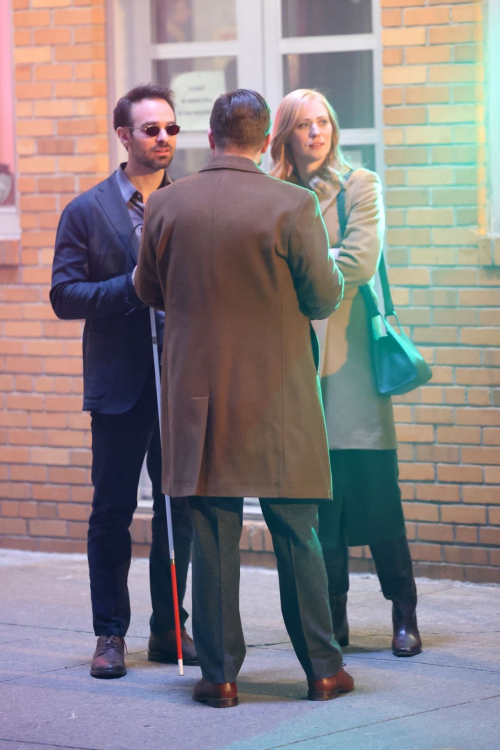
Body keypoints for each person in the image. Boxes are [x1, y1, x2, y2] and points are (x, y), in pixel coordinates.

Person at [135, 89, 353, 708]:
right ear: (264, 142)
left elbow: (149, 289)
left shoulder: (167, 204)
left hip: (198, 399)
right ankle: (322, 671)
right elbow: (321, 298)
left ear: (210, 135)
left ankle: (220, 676)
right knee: (296, 536)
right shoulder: (294, 204)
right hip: (278, 397)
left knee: (210, 537)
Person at [50, 84, 198, 678]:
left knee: (176, 508)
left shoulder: (188, 203)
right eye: (150, 130)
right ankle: (110, 635)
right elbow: (64, 296)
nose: (163, 139)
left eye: (170, 129)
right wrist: (132, 286)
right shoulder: (86, 211)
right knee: (111, 512)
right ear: (123, 136)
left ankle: (169, 627)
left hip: (181, 379)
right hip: (118, 386)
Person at [271, 89, 422, 658]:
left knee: (377, 489)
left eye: (324, 122)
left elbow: (358, 261)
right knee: (321, 499)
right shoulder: (275, 189)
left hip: (352, 359)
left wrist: (299, 262)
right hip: (296, 358)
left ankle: (404, 613)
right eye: (304, 125)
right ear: (284, 133)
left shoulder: (361, 184)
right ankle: (334, 620)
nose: (317, 133)